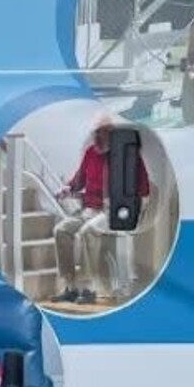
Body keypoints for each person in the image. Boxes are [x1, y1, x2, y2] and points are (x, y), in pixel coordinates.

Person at [54, 116, 149, 305]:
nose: (98, 136)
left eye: (102, 132)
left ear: (112, 133)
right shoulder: (91, 153)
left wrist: (132, 207)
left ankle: (88, 288)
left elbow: (143, 188)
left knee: (87, 232)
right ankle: (71, 287)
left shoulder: (126, 155)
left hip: (112, 212)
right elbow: (78, 180)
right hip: (90, 209)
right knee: (61, 230)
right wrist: (68, 189)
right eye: (96, 132)